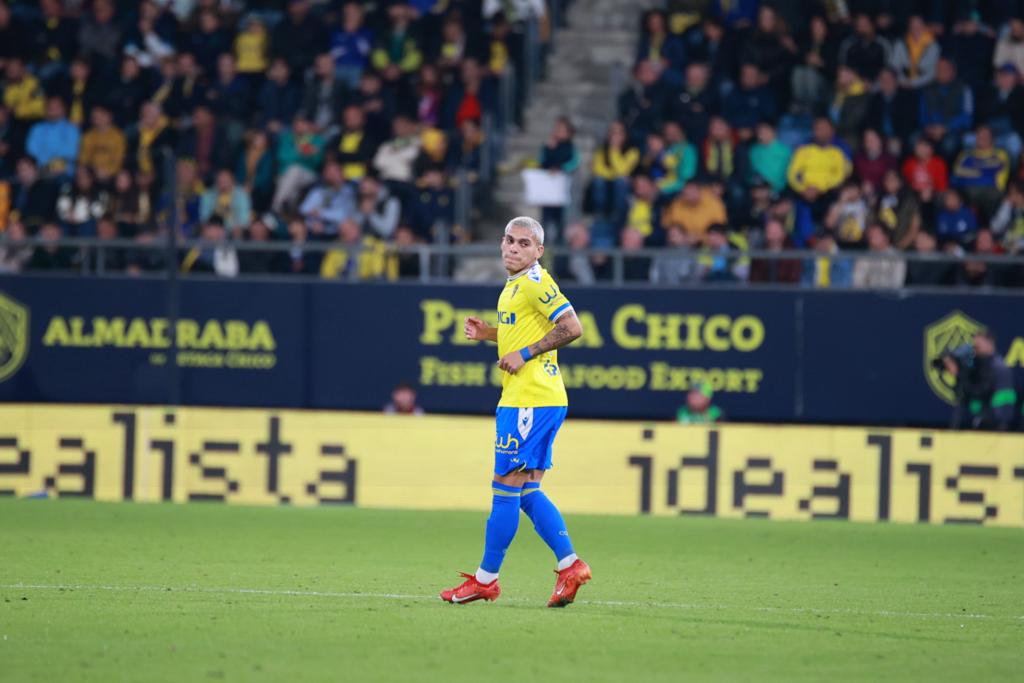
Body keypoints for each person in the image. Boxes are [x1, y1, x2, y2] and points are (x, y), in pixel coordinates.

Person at [440, 216, 590, 609]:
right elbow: (522, 330)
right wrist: (491, 334)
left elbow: (572, 327)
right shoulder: (516, 286)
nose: (512, 247)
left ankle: (486, 581)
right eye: (508, 239)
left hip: (530, 398)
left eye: (524, 243)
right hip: (538, 397)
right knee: (526, 491)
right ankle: (570, 565)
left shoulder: (537, 282)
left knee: (504, 487)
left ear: (538, 251)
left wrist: (524, 353)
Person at [941, 330, 1018, 431]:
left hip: (996, 427)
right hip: (984, 423)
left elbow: (980, 392)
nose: (975, 349)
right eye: (974, 346)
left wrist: (959, 374)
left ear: (989, 343)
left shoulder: (998, 368)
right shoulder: (979, 366)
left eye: (977, 346)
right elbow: (965, 394)